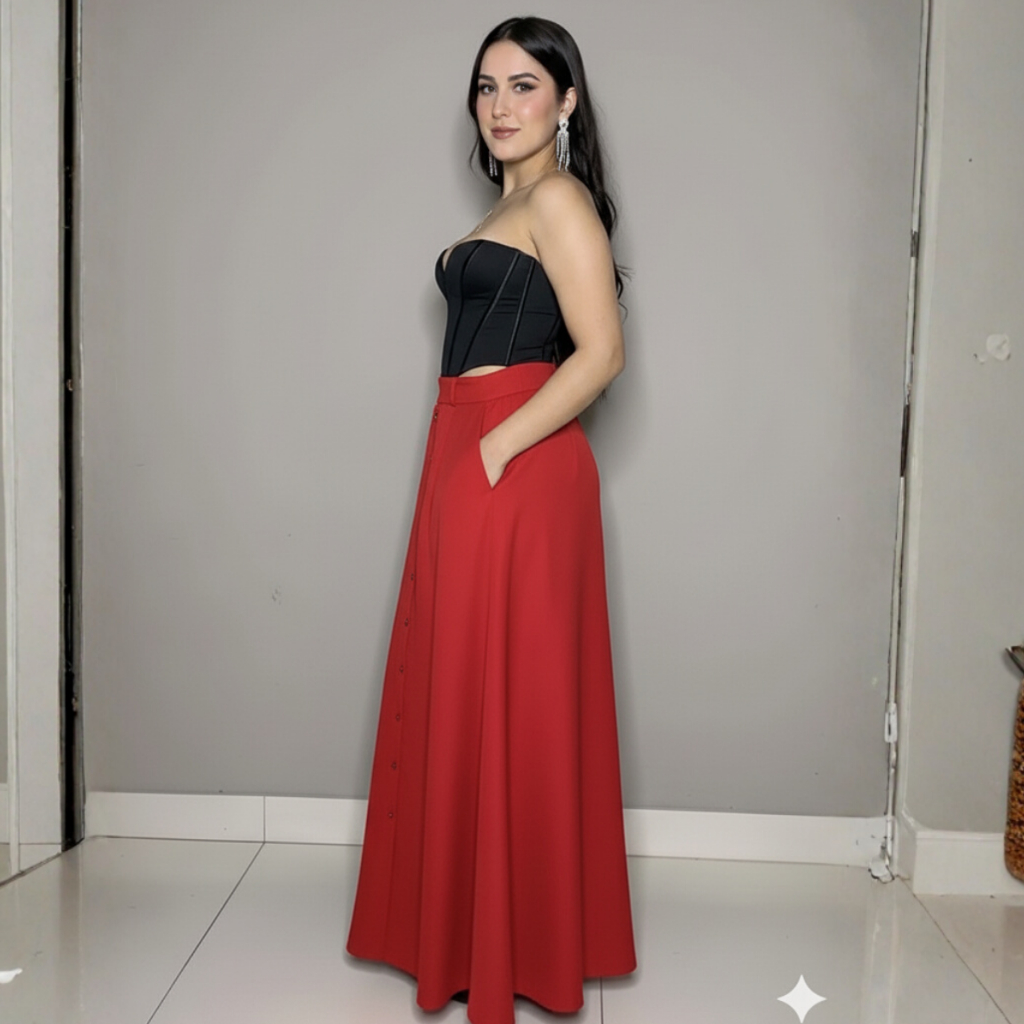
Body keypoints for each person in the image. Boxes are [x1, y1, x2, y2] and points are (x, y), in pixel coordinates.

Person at [345, 16, 637, 1024]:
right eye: (486, 86)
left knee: (511, 689)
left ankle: (516, 943)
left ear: (566, 100)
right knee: (464, 682)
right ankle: (472, 929)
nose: (500, 106)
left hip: (514, 455)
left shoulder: (558, 199)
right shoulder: (511, 204)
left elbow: (602, 352)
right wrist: (470, 448)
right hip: (464, 444)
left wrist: (498, 446)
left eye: (523, 85)